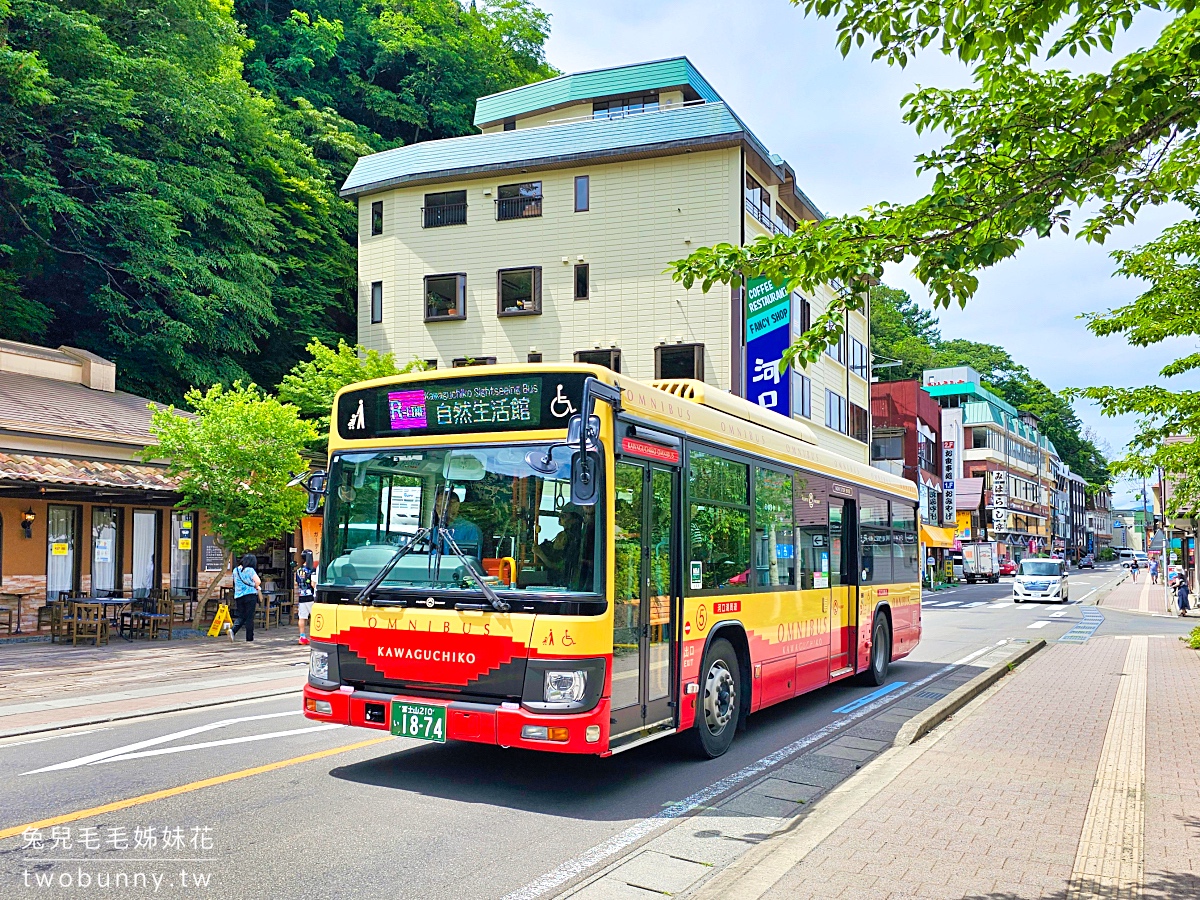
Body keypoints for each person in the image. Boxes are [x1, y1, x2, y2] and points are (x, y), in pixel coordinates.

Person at [230, 553, 261, 642]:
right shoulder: (250, 570)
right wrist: (255, 585)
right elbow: (258, 581)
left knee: (241, 616)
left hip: (238, 596)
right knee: (249, 617)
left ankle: (233, 630)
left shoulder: (235, 570)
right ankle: (249, 638)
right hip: (250, 595)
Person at [295, 550, 315, 646]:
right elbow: (313, 584)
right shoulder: (311, 570)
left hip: (301, 595)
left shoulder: (299, 570)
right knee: (314, 616)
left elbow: (297, 582)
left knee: (302, 617)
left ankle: (302, 637)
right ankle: (313, 636)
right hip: (311, 596)